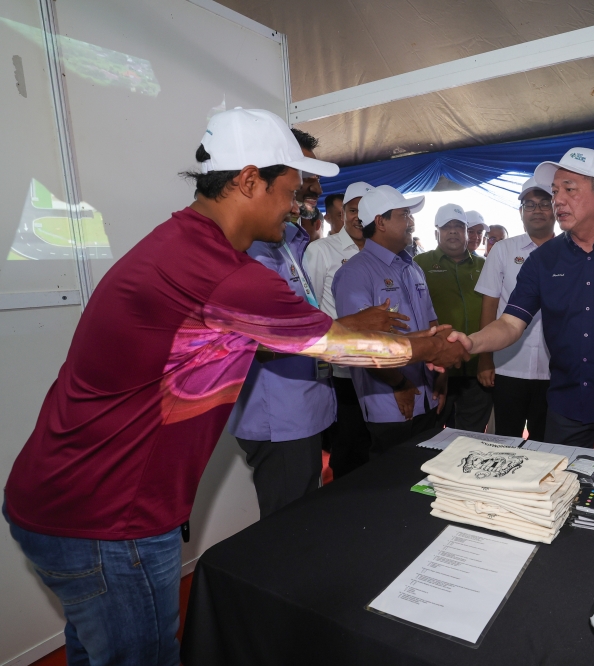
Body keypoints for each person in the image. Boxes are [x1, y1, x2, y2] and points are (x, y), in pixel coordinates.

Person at [2, 108, 466, 666]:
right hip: (108, 520)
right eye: (290, 191)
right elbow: (335, 348)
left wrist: (343, 327)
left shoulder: (181, 243)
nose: (297, 206)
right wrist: (428, 348)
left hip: (60, 500)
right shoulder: (222, 270)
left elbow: (261, 336)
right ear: (249, 181)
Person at [449, 148, 594, 457]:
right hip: (565, 405)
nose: (558, 200)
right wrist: (471, 342)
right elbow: (510, 323)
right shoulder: (542, 260)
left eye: (569, 189)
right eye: (556, 191)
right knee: (561, 490)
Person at [226, 128, 338, 517]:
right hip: (279, 410)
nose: (311, 185)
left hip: (304, 402)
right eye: (301, 173)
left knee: (305, 511)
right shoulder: (246, 244)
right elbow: (267, 337)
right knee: (288, 526)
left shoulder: (288, 238)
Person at [333, 185, 447, 453]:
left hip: (428, 398)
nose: (412, 222)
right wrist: (399, 383)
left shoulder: (413, 267)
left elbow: (432, 325)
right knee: (393, 484)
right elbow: (359, 345)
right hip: (392, 404)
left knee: (426, 481)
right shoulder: (355, 273)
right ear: (380, 222)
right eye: (404, 214)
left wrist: (442, 373)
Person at [304, 181, 376, 478]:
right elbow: (309, 306)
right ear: (342, 213)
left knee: (374, 444)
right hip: (340, 368)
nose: (359, 217)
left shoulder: (380, 251)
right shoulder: (322, 250)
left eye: (365, 210)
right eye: (353, 210)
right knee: (346, 445)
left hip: (377, 364)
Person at [476, 177, 555, 440]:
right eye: (530, 205)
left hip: (555, 369)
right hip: (508, 365)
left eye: (545, 203)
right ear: (521, 212)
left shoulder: (571, 250)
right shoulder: (503, 250)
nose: (538, 210)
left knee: (546, 443)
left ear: (556, 208)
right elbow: (490, 305)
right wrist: (485, 359)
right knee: (505, 439)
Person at [415, 205, 492, 432]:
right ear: (436, 232)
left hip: (477, 368)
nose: (453, 231)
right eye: (446, 227)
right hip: (436, 369)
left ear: (467, 232)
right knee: (432, 434)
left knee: (472, 438)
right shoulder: (419, 265)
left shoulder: (484, 266)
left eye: (458, 226)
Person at [290, 129, 324, 242]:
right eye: (307, 176)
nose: (319, 190)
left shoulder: (295, 238)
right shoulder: (249, 244)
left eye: (318, 178)